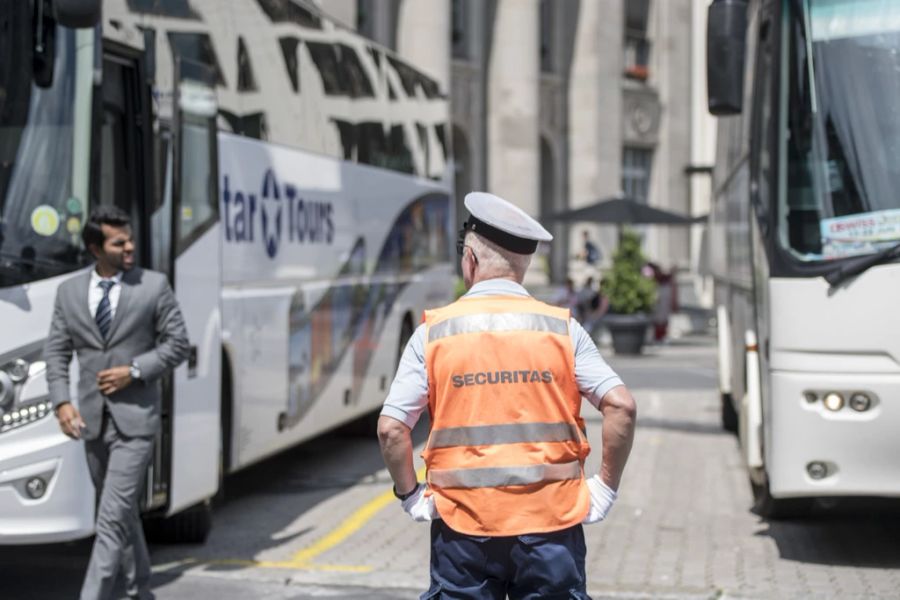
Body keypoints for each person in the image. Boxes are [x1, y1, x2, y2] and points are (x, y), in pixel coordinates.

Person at [377, 192, 637, 599]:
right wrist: (604, 490)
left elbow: (392, 430)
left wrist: (411, 496)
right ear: (522, 266)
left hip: (463, 532)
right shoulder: (561, 329)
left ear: (471, 260)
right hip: (552, 527)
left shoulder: (433, 333)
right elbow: (621, 406)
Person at [44, 206, 190, 600]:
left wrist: (135, 370)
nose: (130, 247)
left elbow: (178, 345)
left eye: (130, 239)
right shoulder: (68, 292)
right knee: (121, 514)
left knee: (109, 518)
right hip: (91, 422)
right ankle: (140, 591)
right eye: (119, 242)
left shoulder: (153, 286)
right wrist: (62, 403)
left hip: (137, 423)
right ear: (96, 248)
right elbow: (56, 353)